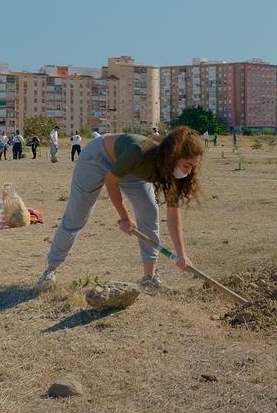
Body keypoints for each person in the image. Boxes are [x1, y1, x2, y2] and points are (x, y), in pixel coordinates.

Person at [36, 126, 202, 294]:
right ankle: (50, 271)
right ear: (173, 156)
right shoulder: (140, 152)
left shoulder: (172, 171)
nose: (188, 173)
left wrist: (182, 254)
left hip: (130, 170)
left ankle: (149, 277)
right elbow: (111, 181)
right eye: (187, 165)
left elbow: (173, 213)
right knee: (77, 216)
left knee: (149, 211)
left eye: (192, 167)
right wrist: (125, 217)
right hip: (97, 158)